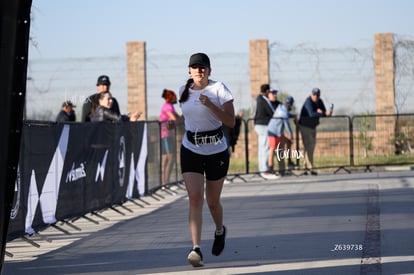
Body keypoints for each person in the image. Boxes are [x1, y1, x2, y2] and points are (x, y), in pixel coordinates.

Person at [177, 53, 235, 267]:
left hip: (216, 151)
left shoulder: (219, 88)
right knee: (194, 198)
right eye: (195, 67)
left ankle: (220, 230)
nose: (199, 71)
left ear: (209, 71)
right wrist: (176, 121)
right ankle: (196, 249)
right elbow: (188, 116)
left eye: (203, 67)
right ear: (189, 71)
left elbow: (230, 121)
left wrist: (211, 105)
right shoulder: (182, 91)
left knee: (212, 201)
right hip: (191, 148)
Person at [298, 88, 333, 175]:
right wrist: (323, 113)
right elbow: (312, 114)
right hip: (305, 126)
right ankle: (310, 167)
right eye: (314, 95)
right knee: (309, 145)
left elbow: (323, 112)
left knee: (311, 146)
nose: (315, 97)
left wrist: (326, 113)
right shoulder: (308, 102)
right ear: (311, 94)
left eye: (317, 95)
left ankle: (306, 167)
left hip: (313, 127)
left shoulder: (319, 101)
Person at [253, 84, 278, 179]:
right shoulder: (262, 99)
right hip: (263, 125)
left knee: (263, 148)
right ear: (267, 91)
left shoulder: (259, 99)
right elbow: (271, 112)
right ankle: (264, 170)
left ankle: (263, 169)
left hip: (262, 125)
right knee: (264, 148)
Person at [267, 96, 295, 176]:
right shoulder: (283, 112)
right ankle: (270, 168)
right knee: (272, 149)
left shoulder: (281, 107)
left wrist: (293, 116)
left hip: (279, 133)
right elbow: (287, 125)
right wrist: (291, 134)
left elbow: (287, 114)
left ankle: (283, 168)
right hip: (273, 132)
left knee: (287, 143)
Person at [159, 89, 181, 186]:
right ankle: (165, 182)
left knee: (168, 158)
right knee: (169, 157)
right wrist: (181, 119)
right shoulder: (167, 107)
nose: (176, 99)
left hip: (170, 134)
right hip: (165, 135)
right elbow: (174, 118)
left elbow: (178, 117)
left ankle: (166, 182)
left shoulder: (171, 106)